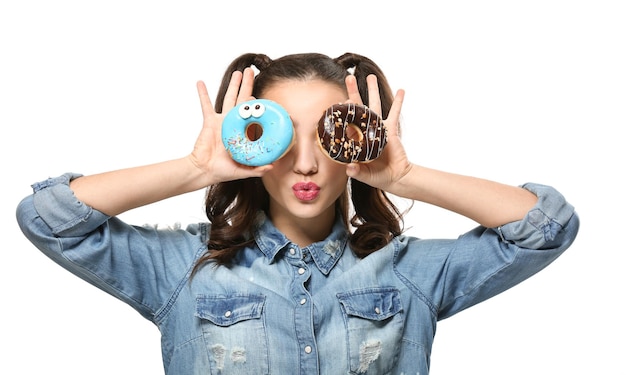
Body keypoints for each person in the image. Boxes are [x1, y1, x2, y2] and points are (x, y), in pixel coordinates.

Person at [16, 52, 579, 374]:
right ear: (249, 138)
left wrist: (404, 176)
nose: (306, 163)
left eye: (329, 136)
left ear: (356, 145)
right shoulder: (182, 270)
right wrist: (196, 168)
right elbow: (47, 216)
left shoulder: (409, 274)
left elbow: (546, 227)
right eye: (280, 134)